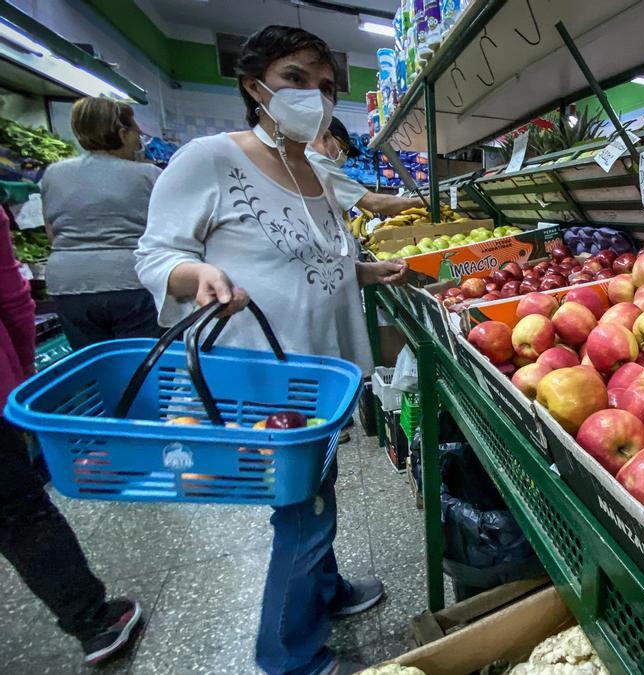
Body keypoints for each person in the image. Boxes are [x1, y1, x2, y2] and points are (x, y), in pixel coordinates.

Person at [134, 25, 405, 675]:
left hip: (322, 368)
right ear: (254, 85)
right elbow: (155, 251)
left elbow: (319, 254)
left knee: (319, 485)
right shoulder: (210, 159)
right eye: (294, 78)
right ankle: (289, 655)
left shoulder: (314, 167)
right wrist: (193, 276)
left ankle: (326, 588)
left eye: (326, 85)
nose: (314, 95)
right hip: (266, 372)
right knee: (301, 513)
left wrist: (363, 272)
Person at [0, 209, 143, 666]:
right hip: (126, 283)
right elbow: (13, 298)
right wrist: (21, 370)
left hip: (71, 285)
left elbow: (51, 231)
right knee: (21, 518)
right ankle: (92, 623)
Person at [40, 97, 163, 349]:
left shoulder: (53, 173)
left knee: (92, 364)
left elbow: (52, 233)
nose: (139, 142)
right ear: (121, 133)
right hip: (132, 282)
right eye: (136, 135)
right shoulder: (149, 175)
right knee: (141, 367)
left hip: (68, 283)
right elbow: (168, 234)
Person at [305, 116, 424, 217]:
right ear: (326, 136)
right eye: (341, 147)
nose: (340, 154)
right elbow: (373, 202)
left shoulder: (305, 158)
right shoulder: (317, 163)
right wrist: (419, 202)